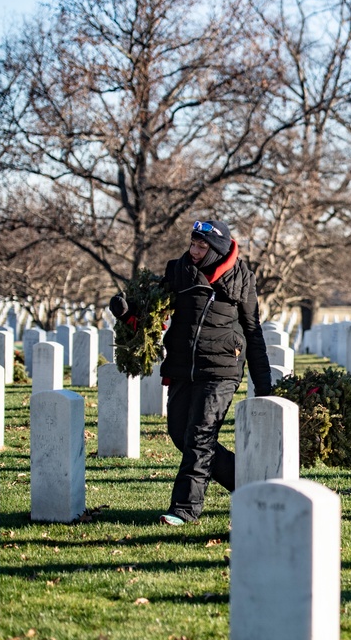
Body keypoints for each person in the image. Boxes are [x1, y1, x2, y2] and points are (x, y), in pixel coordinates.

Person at [110, 219, 272, 525]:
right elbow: (151, 312)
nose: (194, 250)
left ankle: (184, 510)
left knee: (200, 435)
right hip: (184, 366)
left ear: (217, 250)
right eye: (193, 243)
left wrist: (263, 386)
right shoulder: (179, 271)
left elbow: (253, 331)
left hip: (223, 368)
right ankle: (249, 486)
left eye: (202, 246)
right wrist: (127, 312)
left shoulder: (242, 279)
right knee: (180, 433)